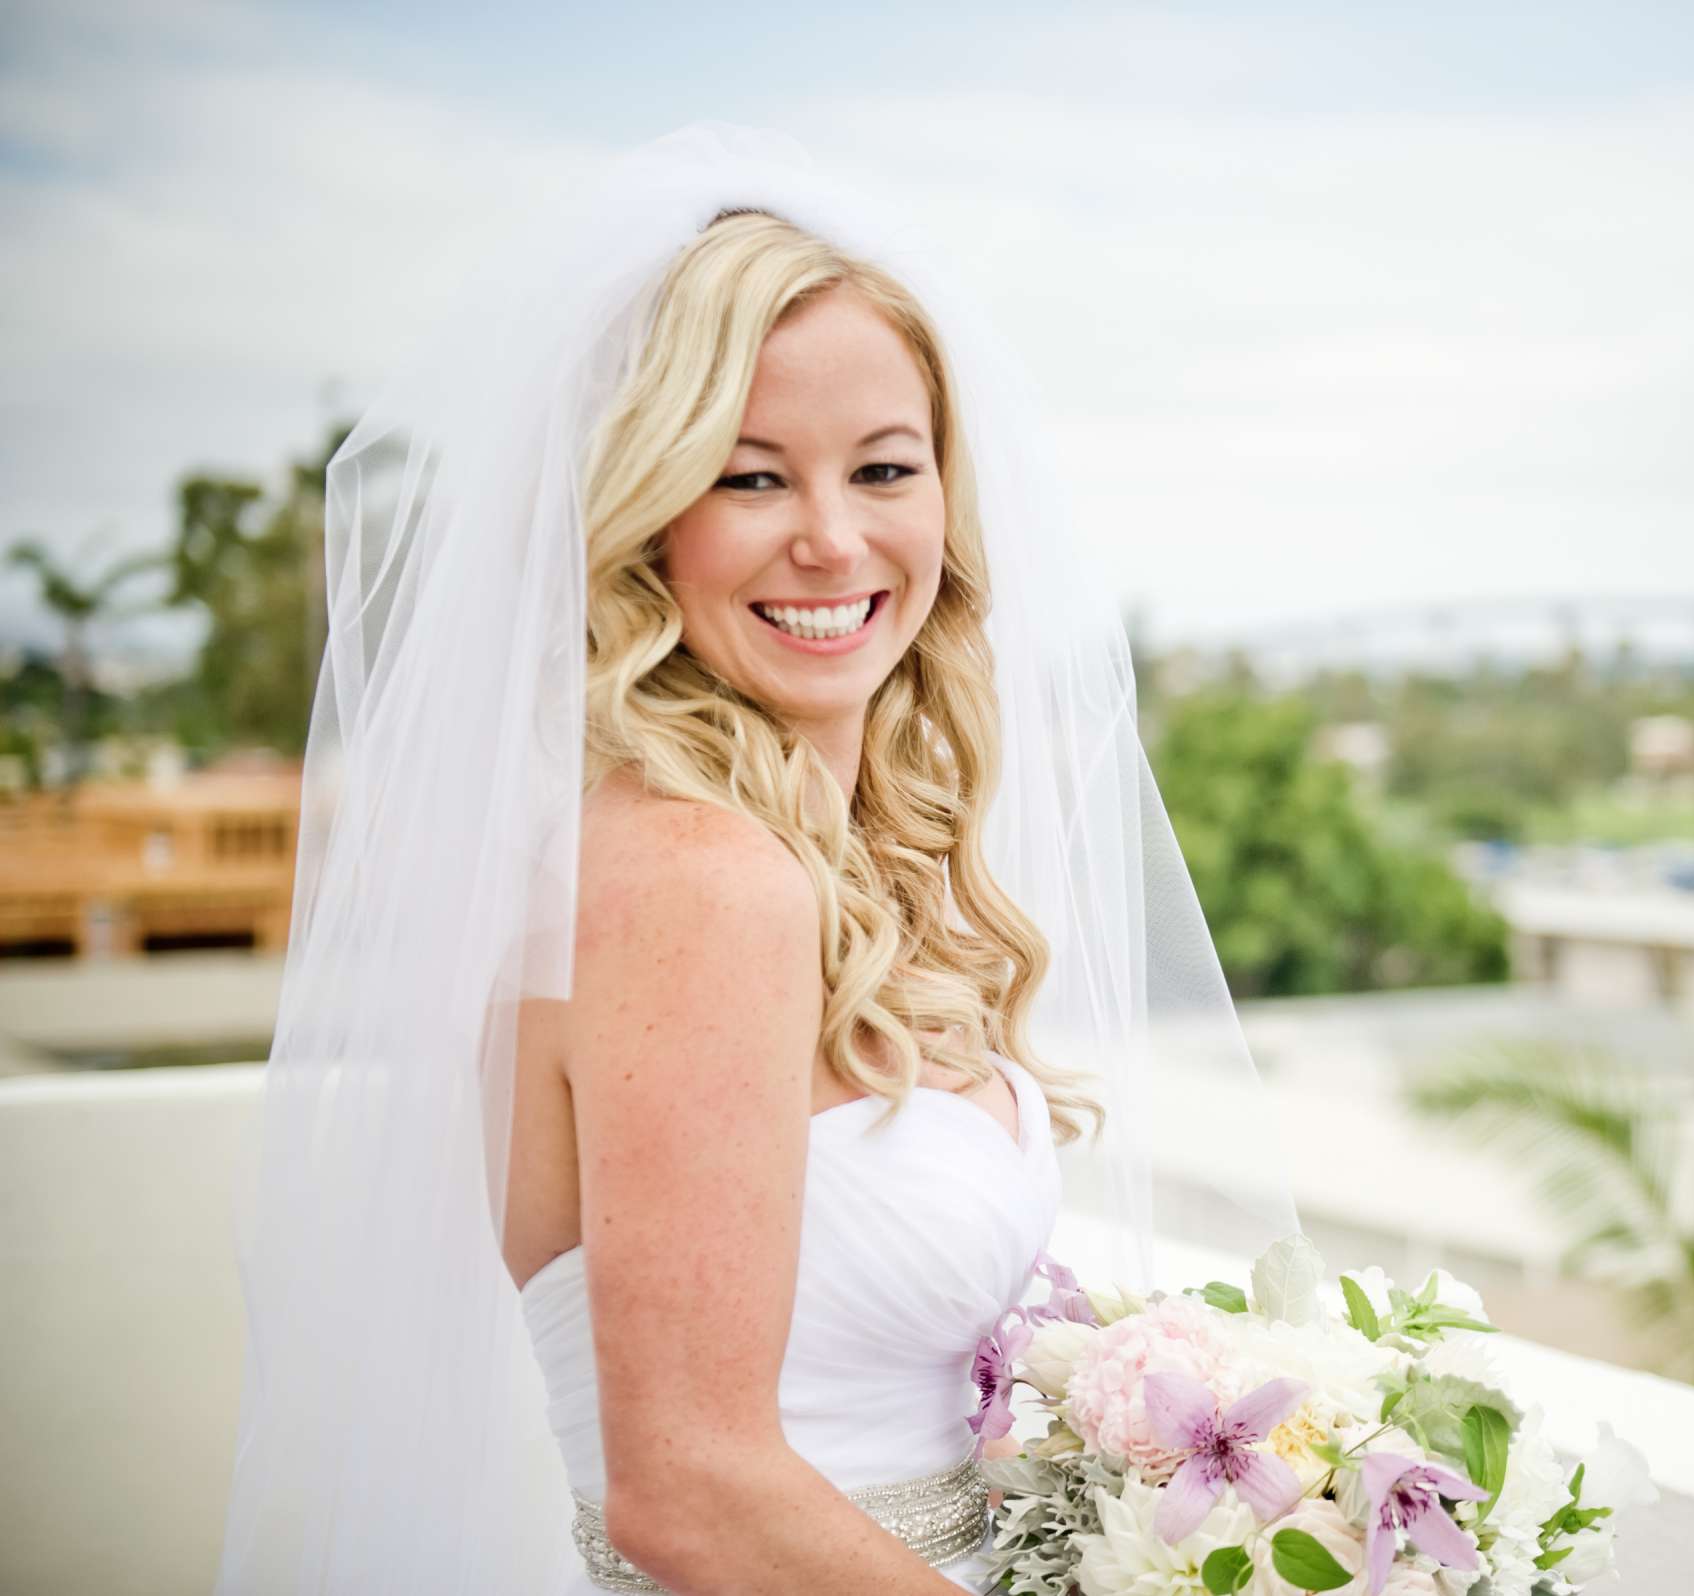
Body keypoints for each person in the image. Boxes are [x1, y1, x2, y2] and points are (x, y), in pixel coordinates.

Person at [214, 124, 1299, 1593]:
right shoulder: (695, 878)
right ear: (646, 515)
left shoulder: (817, 862)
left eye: (884, 467)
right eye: (751, 478)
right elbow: (690, 1491)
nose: (835, 539)